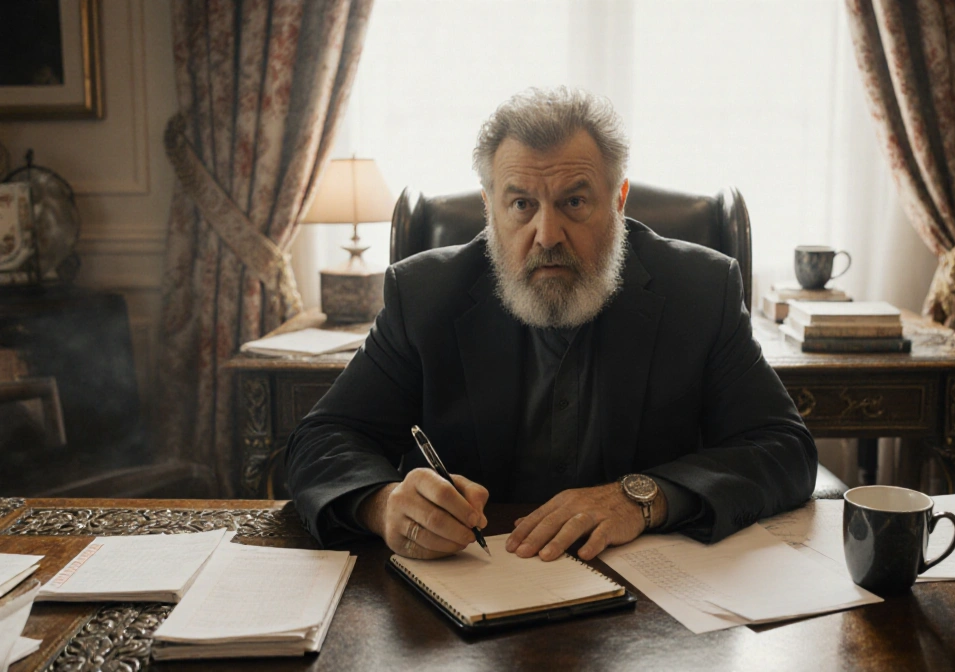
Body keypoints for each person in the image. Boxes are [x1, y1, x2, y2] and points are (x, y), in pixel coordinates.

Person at [286, 87, 817, 563]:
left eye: (575, 202)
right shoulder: (424, 295)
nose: (547, 234)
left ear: (618, 200)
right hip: (474, 586)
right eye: (521, 204)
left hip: (650, 594)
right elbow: (324, 438)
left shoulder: (700, 290)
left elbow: (783, 448)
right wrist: (382, 504)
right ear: (490, 207)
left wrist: (643, 497)